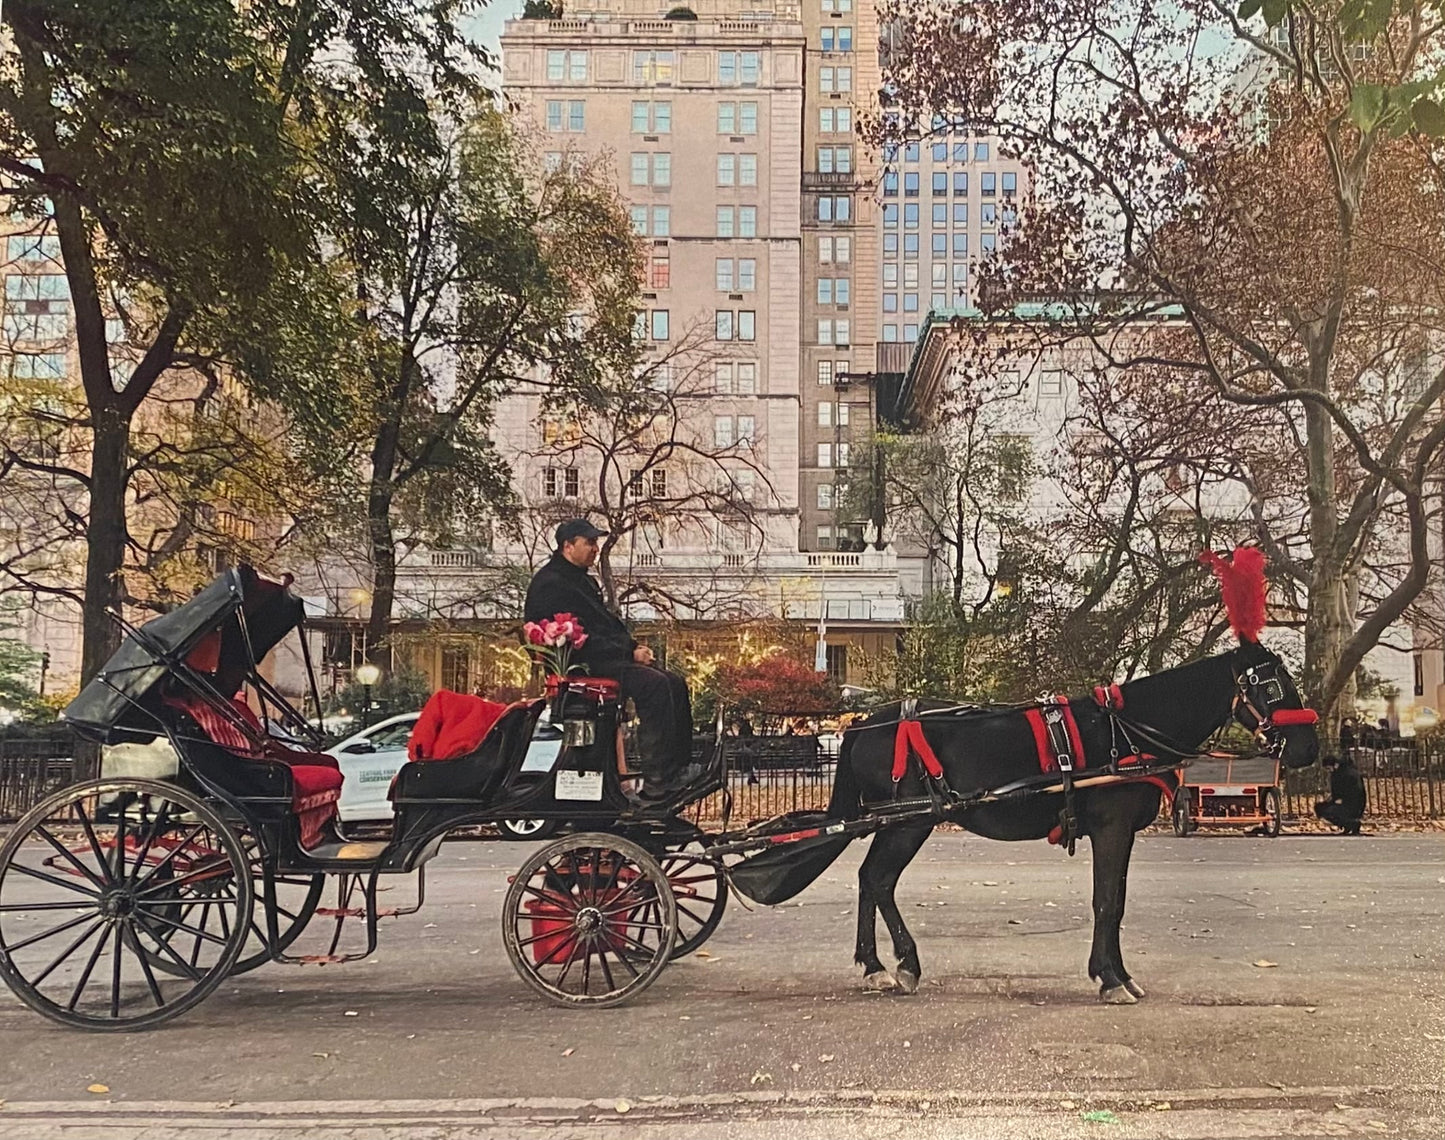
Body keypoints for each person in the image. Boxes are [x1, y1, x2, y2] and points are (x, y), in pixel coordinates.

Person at [524, 518, 694, 794]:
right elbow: (584, 635)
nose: (595, 548)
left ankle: (678, 767)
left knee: (674, 682)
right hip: (584, 667)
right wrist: (628, 651)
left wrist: (633, 647)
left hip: (603, 659)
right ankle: (658, 779)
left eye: (596, 542)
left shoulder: (580, 580)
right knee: (655, 686)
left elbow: (606, 624)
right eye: (589, 542)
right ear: (568, 546)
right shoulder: (552, 583)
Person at [1314, 753, 1366, 835]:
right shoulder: (1348, 770)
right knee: (1323, 808)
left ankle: (1351, 823)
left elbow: (1340, 792)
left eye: (1328, 768)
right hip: (1356, 804)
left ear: (1334, 765)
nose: (1329, 771)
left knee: (1324, 810)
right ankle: (1348, 825)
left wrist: (1333, 800)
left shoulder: (1341, 775)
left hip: (1350, 804)